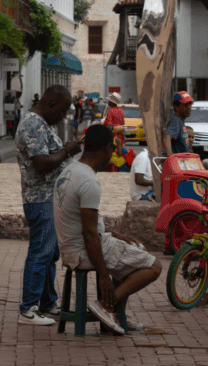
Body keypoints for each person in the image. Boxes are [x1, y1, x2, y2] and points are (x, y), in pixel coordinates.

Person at [53, 124, 161, 334]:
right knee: (153, 266)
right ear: (106, 149)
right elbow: (89, 233)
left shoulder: (69, 171)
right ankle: (105, 306)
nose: (113, 155)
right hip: (83, 250)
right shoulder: (89, 181)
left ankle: (116, 312)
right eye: (113, 150)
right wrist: (103, 276)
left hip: (69, 247)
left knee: (130, 250)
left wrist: (114, 234)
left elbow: (87, 223)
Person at [16, 85, 83, 326]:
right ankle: (29, 308)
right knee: (41, 252)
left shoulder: (43, 124)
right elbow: (42, 163)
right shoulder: (33, 124)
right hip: (40, 198)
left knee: (50, 253)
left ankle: (47, 304)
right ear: (51, 105)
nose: (64, 116)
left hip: (51, 197)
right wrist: (67, 150)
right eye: (63, 110)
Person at [163, 91, 193, 156]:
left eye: (190, 104)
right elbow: (167, 137)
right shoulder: (176, 120)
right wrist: (170, 156)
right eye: (185, 105)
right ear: (176, 107)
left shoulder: (180, 121)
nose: (189, 108)